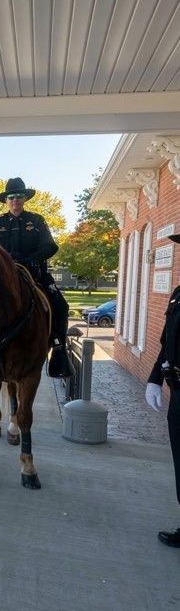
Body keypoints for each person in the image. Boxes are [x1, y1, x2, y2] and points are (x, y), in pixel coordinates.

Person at [0, 177, 74, 378]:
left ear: (25, 198)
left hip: (34, 273)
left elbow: (50, 246)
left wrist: (29, 259)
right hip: (2, 277)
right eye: (11, 197)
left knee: (61, 306)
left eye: (19, 196)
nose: (15, 200)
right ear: (6, 200)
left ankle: (59, 349)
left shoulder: (36, 221)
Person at [145, 233, 180, 548]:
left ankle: (59, 349)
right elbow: (166, 341)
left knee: (55, 304)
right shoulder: (179, 294)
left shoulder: (37, 222)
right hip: (178, 391)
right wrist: (155, 377)